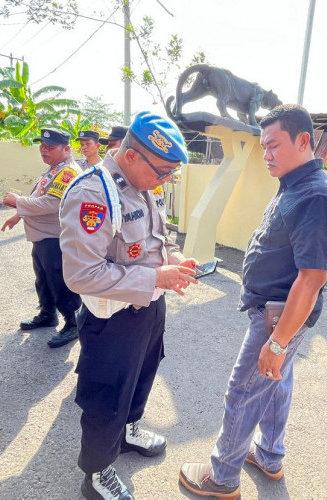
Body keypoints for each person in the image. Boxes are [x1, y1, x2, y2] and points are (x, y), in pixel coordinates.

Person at [179, 104, 327, 499]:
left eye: (273, 146)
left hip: (279, 317)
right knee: (275, 384)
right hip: (275, 313)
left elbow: (312, 279)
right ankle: (269, 456)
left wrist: (277, 342)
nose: (266, 154)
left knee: (244, 391)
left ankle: (221, 478)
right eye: (264, 147)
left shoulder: (315, 196)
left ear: (303, 140)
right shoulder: (294, 183)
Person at [59, 111, 197, 500]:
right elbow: (82, 274)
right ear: (132, 156)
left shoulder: (143, 184)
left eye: (171, 173)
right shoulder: (92, 193)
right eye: (163, 171)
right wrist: (155, 277)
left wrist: (174, 258)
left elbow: (157, 237)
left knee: (142, 376)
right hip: (113, 319)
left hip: (148, 308)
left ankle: (131, 428)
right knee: (106, 397)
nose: (166, 179)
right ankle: (98, 472)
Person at [1, 128, 82, 348]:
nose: (44, 150)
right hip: (42, 237)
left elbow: (52, 204)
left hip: (55, 238)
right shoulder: (52, 170)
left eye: (50, 147)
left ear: (67, 149)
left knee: (60, 282)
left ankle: (73, 324)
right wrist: (18, 215)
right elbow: (40, 197)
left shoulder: (67, 172)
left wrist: (18, 201)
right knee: (44, 280)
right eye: (42, 146)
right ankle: (48, 314)